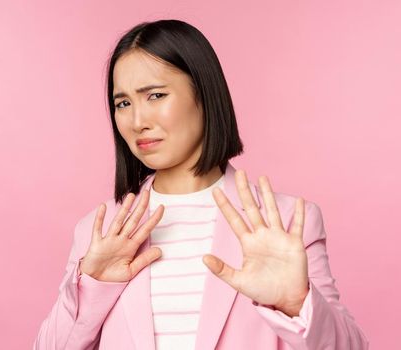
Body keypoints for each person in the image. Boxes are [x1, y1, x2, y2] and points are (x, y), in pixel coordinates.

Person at [32, 19, 368, 350]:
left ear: (204, 94)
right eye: (123, 103)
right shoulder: (98, 231)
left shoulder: (288, 221)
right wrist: (92, 287)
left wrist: (298, 303)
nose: (137, 121)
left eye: (156, 95)